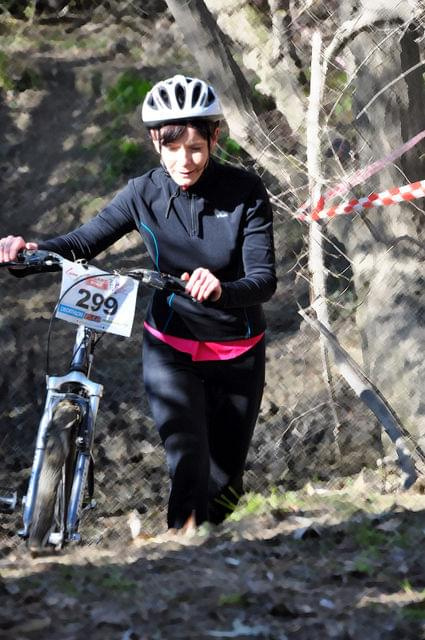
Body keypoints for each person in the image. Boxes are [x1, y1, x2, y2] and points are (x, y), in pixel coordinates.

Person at [0, 74, 277, 530]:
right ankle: (178, 561)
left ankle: (214, 561)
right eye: (172, 147)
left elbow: (264, 280)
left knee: (224, 484)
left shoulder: (245, 191)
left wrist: (222, 289)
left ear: (215, 138)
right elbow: (80, 242)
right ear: (155, 142)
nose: (184, 161)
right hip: (171, 347)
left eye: (195, 147)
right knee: (188, 461)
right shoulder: (142, 193)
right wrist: (25, 255)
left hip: (238, 351)